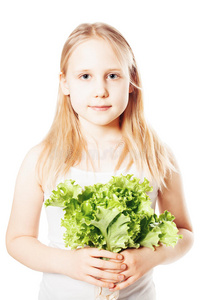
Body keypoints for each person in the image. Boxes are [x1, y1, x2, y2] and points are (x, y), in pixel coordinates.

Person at [6, 22, 193, 300]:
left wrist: (150, 257)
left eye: (113, 76)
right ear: (64, 83)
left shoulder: (156, 155)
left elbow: (184, 232)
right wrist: (68, 262)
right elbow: (17, 241)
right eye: (85, 76)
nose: (100, 90)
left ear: (131, 82)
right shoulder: (42, 158)